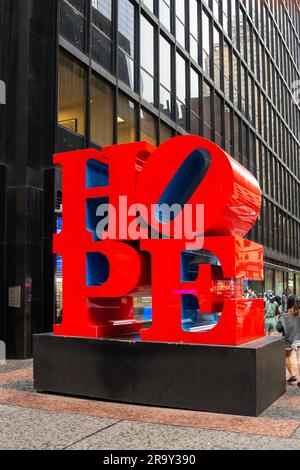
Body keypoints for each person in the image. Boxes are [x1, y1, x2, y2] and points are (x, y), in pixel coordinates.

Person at [276, 295, 300, 386]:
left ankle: (293, 375)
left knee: (287, 356)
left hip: (288, 341)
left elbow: (278, 328)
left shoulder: (284, 316)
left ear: (288, 303)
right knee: (299, 358)